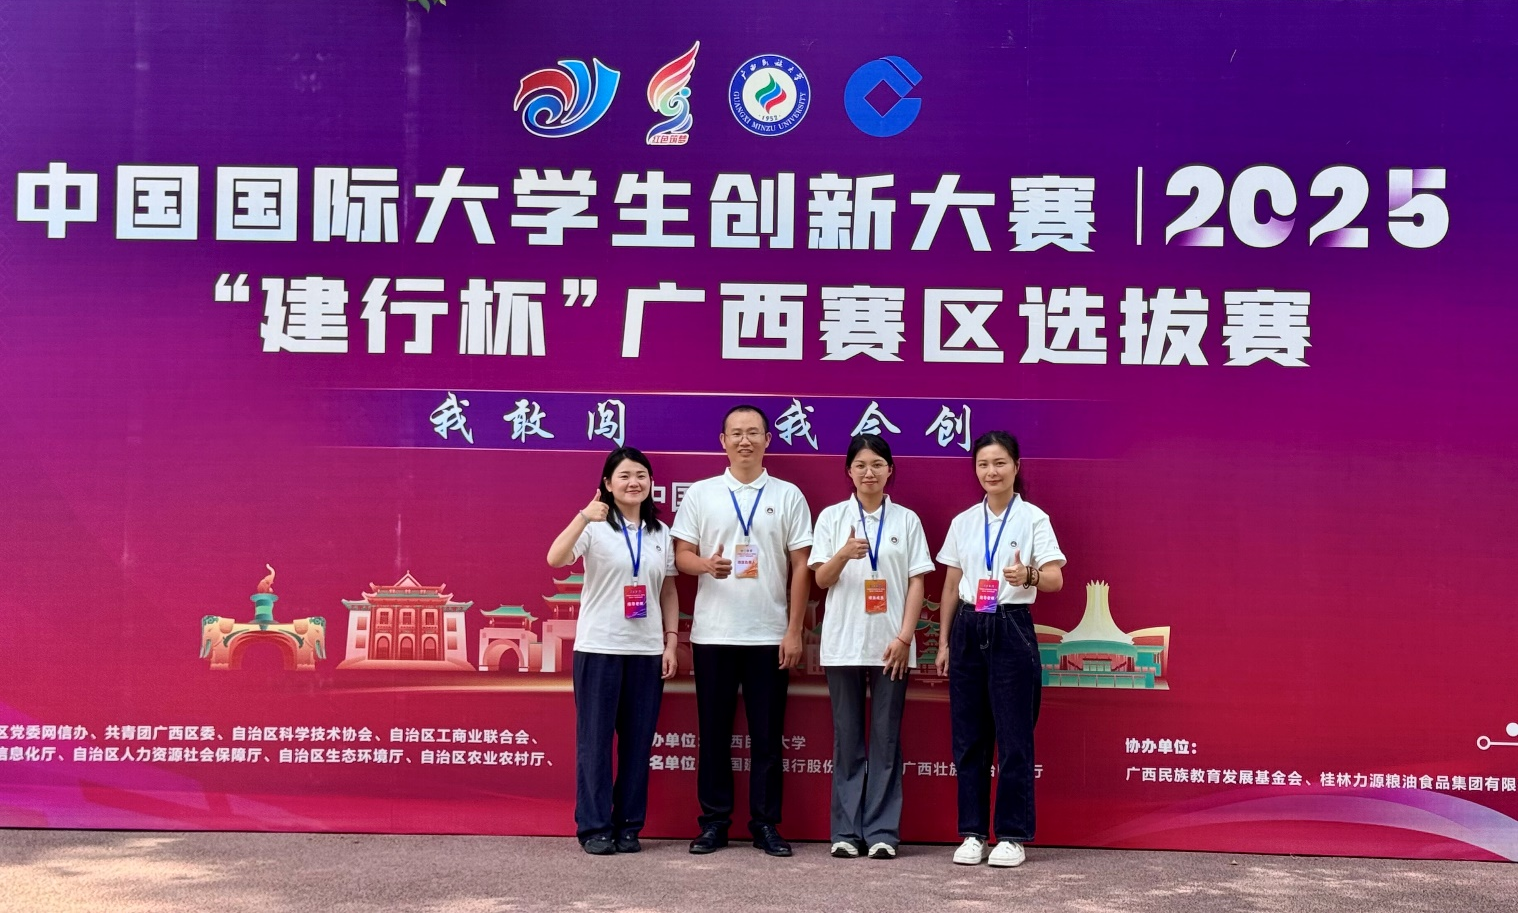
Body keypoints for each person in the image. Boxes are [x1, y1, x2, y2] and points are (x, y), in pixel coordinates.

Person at [671, 404, 813, 857]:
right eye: (736, 433)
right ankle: (714, 823)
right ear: (723, 441)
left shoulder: (788, 495)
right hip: (714, 635)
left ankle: (765, 824)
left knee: (767, 737)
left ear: (768, 440)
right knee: (713, 734)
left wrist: (794, 631)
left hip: (769, 635)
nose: (744, 440)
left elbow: (801, 565)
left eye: (753, 433)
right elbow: (681, 555)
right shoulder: (702, 494)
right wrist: (704, 565)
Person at [934, 431, 1065, 869]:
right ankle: (972, 833)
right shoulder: (964, 522)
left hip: (1011, 625)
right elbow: (951, 585)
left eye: (999, 463)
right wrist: (945, 641)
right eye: (983, 464)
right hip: (969, 626)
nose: (991, 472)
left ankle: (1011, 835)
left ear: (1016, 467)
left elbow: (1055, 579)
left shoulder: (1034, 519)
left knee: (1013, 737)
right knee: (969, 738)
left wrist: (1028, 575)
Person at [547, 447, 680, 856]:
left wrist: (671, 641)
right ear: (607, 483)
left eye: (641, 475)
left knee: (638, 745)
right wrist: (583, 516)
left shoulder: (661, 533)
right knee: (595, 741)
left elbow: (668, 590)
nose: (633, 482)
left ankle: (629, 826)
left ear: (651, 483)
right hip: (599, 647)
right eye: (624, 475)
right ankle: (594, 826)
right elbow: (555, 558)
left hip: (646, 651)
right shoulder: (594, 526)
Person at [809, 434, 934, 861]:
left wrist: (904, 638)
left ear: (889, 470)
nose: (869, 472)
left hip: (891, 647)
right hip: (843, 643)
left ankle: (882, 832)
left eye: (877, 464)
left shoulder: (906, 520)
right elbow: (821, 580)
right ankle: (845, 831)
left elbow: (917, 582)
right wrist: (844, 553)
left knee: (885, 738)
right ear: (849, 471)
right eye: (861, 465)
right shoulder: (832, 517)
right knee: (847, 739)